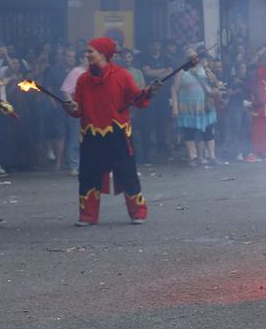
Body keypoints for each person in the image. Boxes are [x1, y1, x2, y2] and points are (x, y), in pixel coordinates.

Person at [64, 38, 161, 225]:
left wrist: (149, 92)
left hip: (118, 132)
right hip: (91, 133)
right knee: (88, 175)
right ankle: (88, 215)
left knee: (127, 173)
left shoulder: (122, 75)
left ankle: (138, 212)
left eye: (90, 51)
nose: (86, 55)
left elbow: (138, 100)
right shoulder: (83, 79)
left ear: (102, 54)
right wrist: (71, 107)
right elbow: (78, 110)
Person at [172, 47, 219, 167]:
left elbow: (215, 82)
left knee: (208, 131)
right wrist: (175, 107)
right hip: (187, 106)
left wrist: (207, 68)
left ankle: (212, 157)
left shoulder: (203, 69)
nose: (192, 59)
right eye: (189, 57)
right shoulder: (181, 72)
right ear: (185, 59)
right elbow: (174, 89)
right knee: (189, 132)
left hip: (204, 105)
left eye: (194, 56)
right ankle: (192, 158)